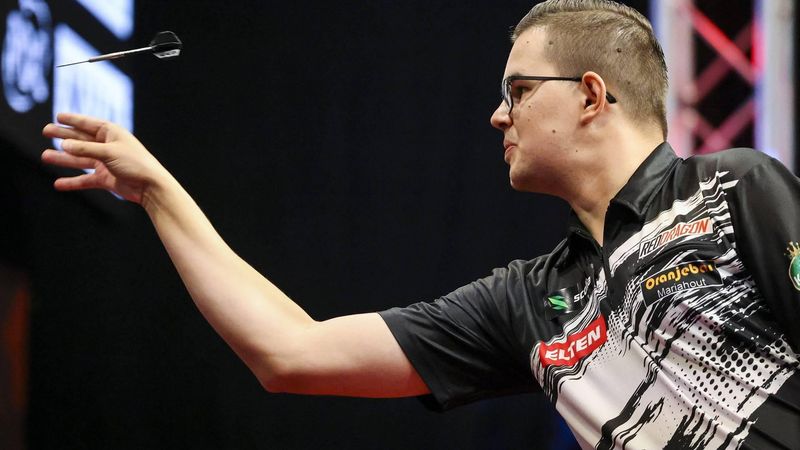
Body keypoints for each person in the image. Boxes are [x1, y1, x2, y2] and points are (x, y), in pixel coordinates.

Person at [41, 0, 800, 448]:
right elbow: (288, 351)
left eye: (520, 90)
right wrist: (158, 191)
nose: (497, 114)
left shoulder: (735, 186)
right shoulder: (530, 302)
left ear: (591, 95)